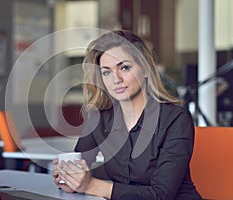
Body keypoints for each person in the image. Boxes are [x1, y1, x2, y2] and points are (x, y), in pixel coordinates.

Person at [52, 30, 202, 200]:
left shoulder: (176, 118)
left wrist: (91, 185)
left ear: (145, 69)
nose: (116, 79)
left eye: (124, 67)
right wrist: (69, 177)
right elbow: (80, 164)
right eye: (106, 72)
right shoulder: (99, 117)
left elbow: (161, 195)